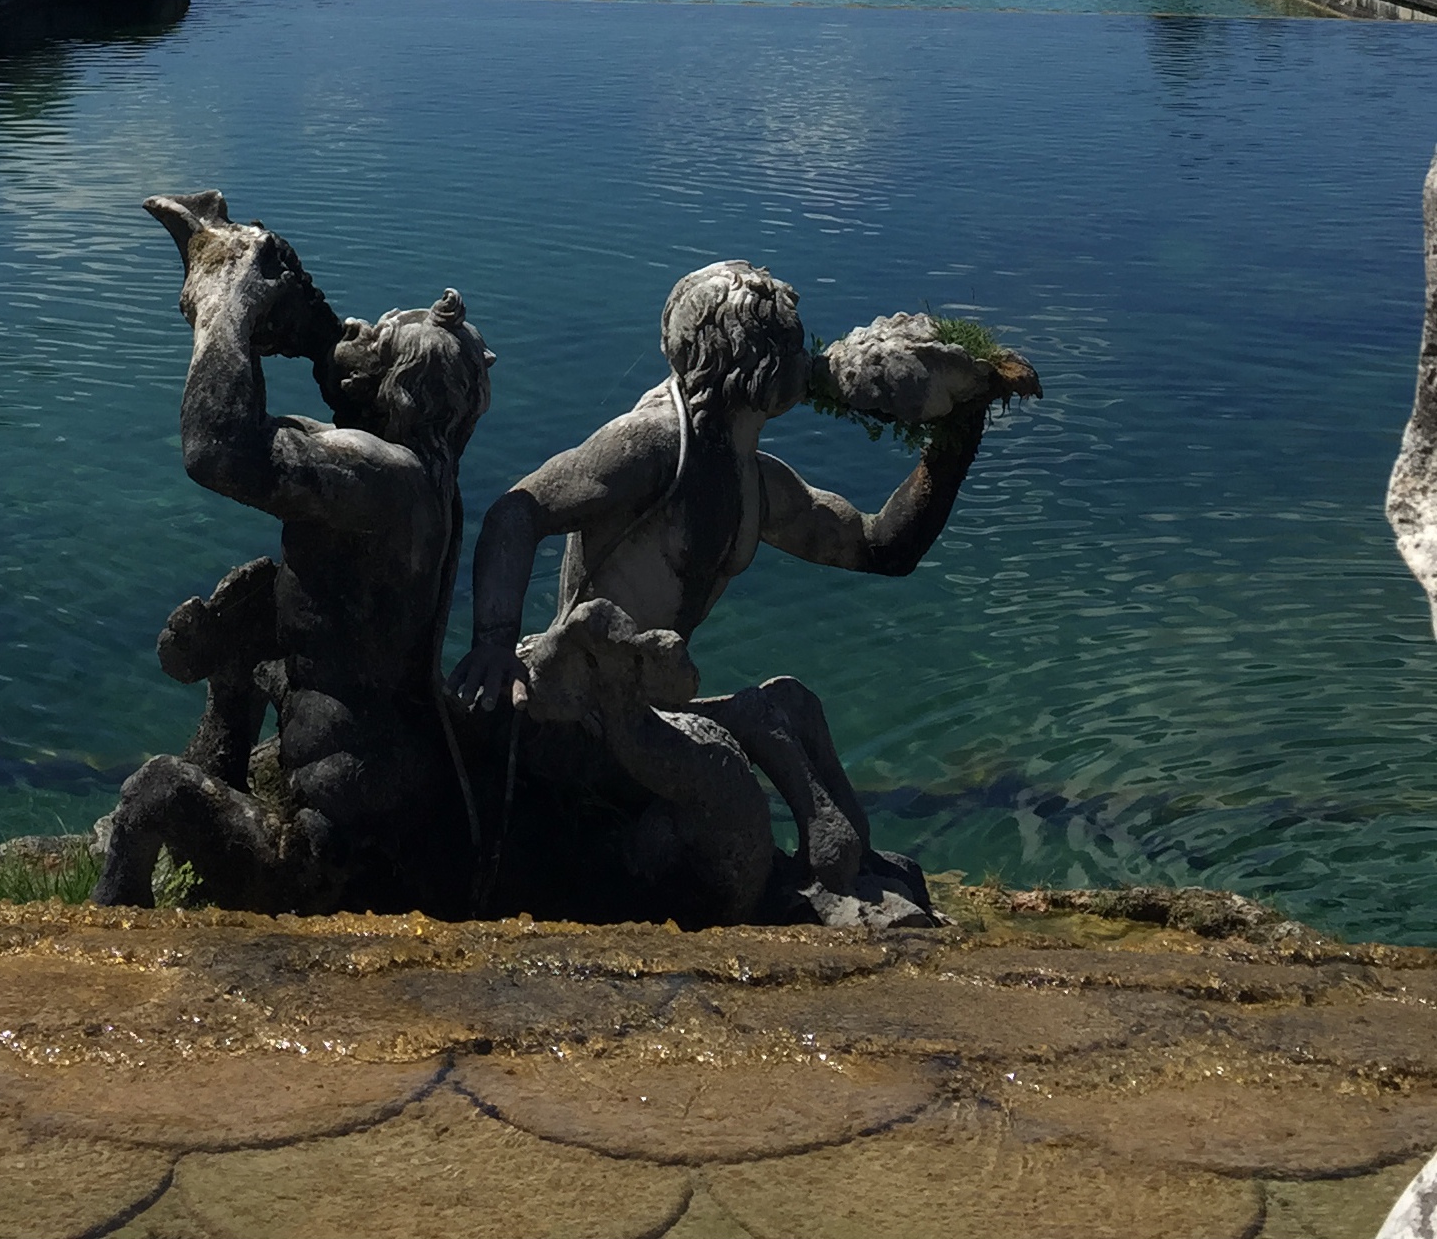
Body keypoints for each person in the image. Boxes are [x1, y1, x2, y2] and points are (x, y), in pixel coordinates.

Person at [454, 258, 1035, 931]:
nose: (806, 355)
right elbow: (518, 510)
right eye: (789, 343)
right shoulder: (650, 446)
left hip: (644, 706)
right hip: (575, 713)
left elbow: (881, 547)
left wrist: (958, 431)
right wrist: (495, 641)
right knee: (748, 739)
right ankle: (807, 891)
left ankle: (846, 873)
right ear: (745, 361)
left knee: (791, 703)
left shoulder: (756, 481)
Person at [95, 193, 493, 917]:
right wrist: (309, 328)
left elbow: (216, 448)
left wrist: (230, 303)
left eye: (376, 336)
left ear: (395, 388)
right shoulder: (420, 475)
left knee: (152, 792)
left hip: (342, 830)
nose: (354, 328)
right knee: (245, 642)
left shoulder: (382, 480)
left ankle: (102, 952)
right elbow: (306, 419)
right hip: (376, 784)